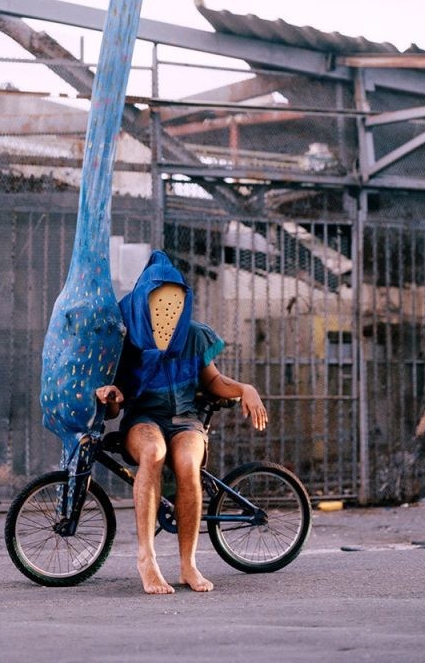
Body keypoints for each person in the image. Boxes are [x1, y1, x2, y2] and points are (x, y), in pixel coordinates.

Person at [95, 250, 267, 595]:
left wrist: (245, 388)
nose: (167, 310)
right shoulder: (127, 341)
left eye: (174, 302)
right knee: (153, 453)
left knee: (188, 463)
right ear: (143, 301)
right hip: (143, 419)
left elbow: (213, 381)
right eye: (159, 302)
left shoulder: (194, 335)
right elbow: (113, 411)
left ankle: (188, 564)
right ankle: (147, 559)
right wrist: (109, 398)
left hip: (186, 420)